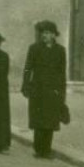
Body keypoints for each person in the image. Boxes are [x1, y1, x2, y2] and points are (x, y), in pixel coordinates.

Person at [21, 20, 67, 158]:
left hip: (53, 90)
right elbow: (28, 68)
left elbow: (62, 72)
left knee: (50, 121)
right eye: (43, 33)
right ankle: (38, 148)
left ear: (54, 35)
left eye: (48, 33)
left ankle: (46, 149)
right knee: (39, 120)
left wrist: (62, 91)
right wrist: (26, 85)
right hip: (38, 89)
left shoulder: (60, 51)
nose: (44, 36)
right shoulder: (34, 48)